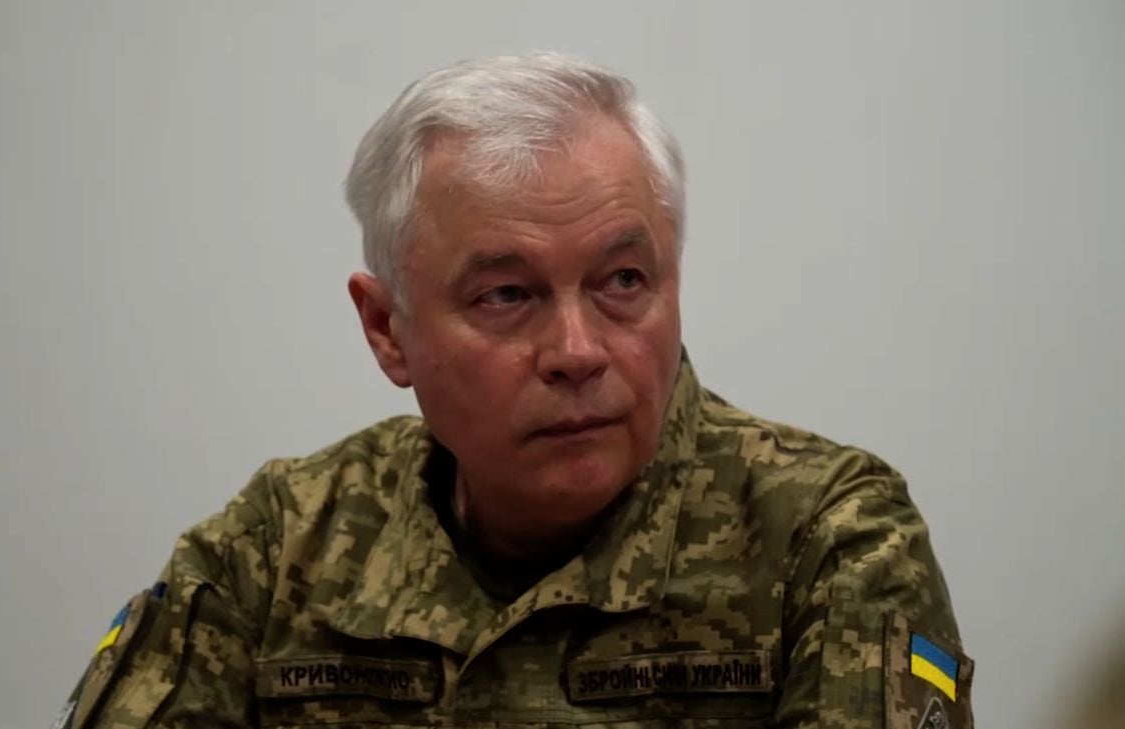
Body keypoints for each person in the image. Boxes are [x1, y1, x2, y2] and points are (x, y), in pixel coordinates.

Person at [52, 52, 973, 729]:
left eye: (622, 281)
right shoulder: (279, 545)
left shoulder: (828, 538)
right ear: (387, 327)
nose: (577, 350)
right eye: (505, 295)